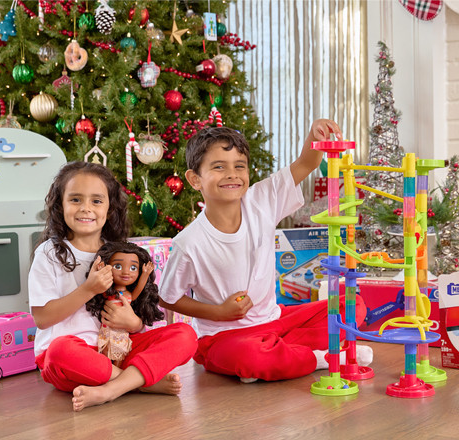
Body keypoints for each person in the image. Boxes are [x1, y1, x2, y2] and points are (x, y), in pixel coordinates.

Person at [159, 123, 372, 383]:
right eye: (218, 167)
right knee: (251, 356)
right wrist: (219, 313)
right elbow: (168, 298)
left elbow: (305, 164)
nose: (232, 174)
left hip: (277, 321)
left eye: (239, 166)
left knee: (352, 305)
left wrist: (316, 134)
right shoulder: (189, 242)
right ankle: (324, 358)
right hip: (223, 338)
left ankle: (279, 355)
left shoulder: (261, 200)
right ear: (194, 179)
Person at [29, 162, 197, 411]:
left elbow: (135, 308)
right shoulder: (50, 253)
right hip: (74, 357)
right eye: (75, 199)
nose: (86, 208)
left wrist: (135, 324)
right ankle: (139, 383)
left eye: (96, 201)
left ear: (109, 209)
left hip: (119, 349)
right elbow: (42, 319)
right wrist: (88, 289)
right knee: (59, 351)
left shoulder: (121, 252)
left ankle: (112, 388)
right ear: (60, 205)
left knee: (186, 335)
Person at [85, 241, 159, 367]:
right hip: (108, 329)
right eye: (118, 266)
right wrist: (100, 271)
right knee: (106, 352)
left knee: (121, 352)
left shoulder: (129, 295)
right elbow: (100, 288)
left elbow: (138, 291)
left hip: (123, 332)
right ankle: (109, 371)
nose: (126, 272)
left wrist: (145, 274)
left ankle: (118, 373)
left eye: (133, 268)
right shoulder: (109, 293)